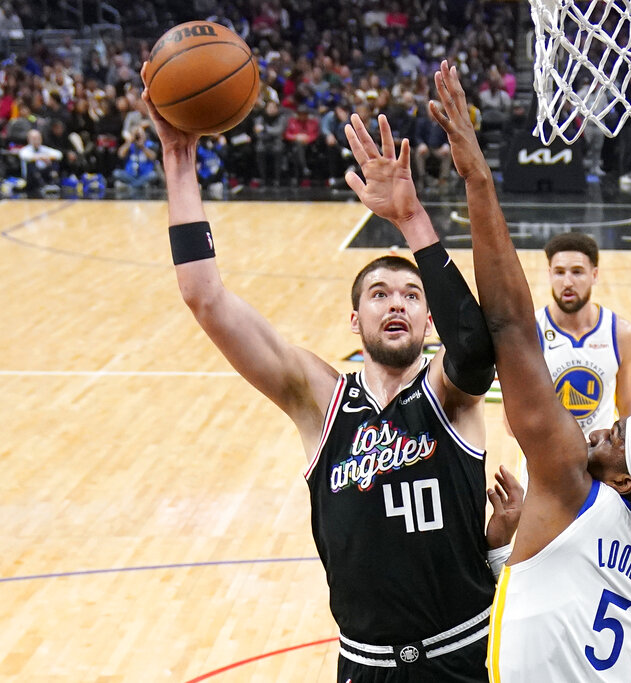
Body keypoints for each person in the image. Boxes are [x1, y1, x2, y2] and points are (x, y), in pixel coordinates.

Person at [140, 62, 522, 683]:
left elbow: (477, 348)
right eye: (378, 294)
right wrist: (179, 160)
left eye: (410, 294)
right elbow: (204, 297)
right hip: (363, 665)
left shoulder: (451, 396)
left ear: (429, 321)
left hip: (466, 654)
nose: (395, 302)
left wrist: (412, 220)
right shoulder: (318, 399)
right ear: (354, 319)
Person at [426, 60, 631, 683]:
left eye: (613, 440)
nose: (600, 431)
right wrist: (523, 546)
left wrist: (476, 176)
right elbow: (585, 598)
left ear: (621, 484)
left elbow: (509, 325)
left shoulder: (566, 478)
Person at [538, 232, 631, 437]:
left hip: (597, 461)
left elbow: (626, 406)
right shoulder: (530, 332)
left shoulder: (621, 333)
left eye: (577, 272)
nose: (567, 282)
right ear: (549, 275)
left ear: (594, 275)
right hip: (544, 462)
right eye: (559, 272)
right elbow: (512, 422)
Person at [18, 128, 62, 195]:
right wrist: (40, 157)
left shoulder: (44, 149)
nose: (36, 140)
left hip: (45, 174)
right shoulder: (25, 150)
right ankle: (41, 186)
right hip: (31, 179)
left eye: (38, 138)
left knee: (54, 161)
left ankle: (53, 183)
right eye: (34, 138)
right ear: (28, 139)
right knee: (31, 163)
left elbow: (59, 154)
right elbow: (24, 156)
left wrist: (48, 157)